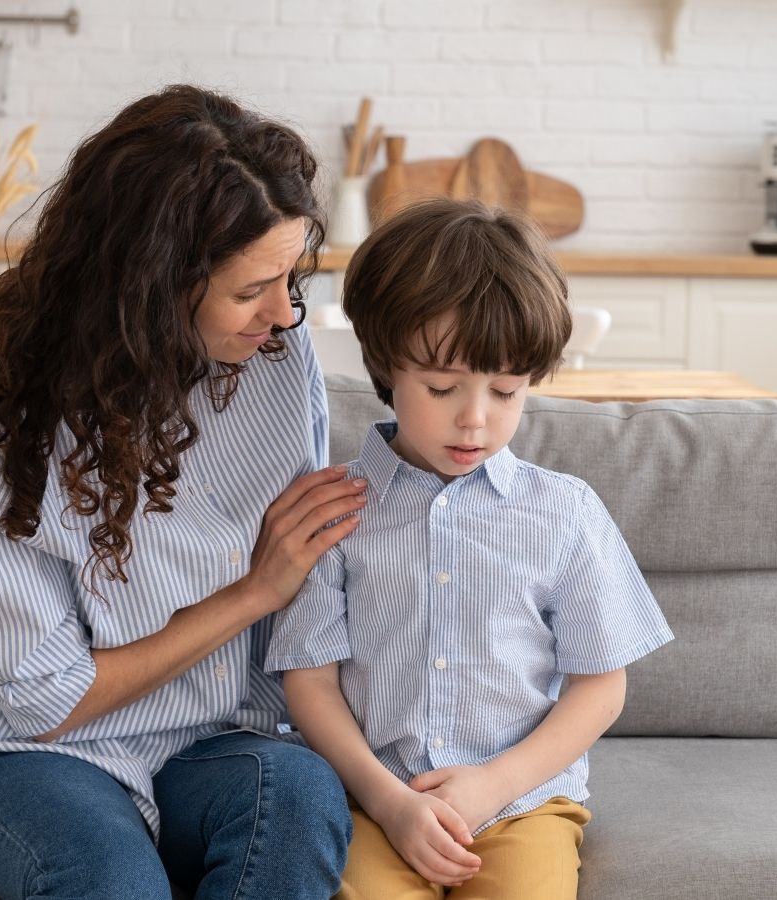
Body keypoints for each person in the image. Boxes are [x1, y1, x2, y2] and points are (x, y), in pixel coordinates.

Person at [0, 85, 363, 900]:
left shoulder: (275, 360)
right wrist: (254, 593)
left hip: (209, 741)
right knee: (111, 883)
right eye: (251, 290)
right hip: (23, 754)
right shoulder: (1, 433)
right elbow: (46, 702)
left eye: (290, 280)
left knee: (301, 799)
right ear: (150, 286)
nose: (283, 315)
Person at [265, 199, 675, 900]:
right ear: (386, 364)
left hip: (521, 806)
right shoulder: (336, 510)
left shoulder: (563, 511)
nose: (476, 419)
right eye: (443, 387)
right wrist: (389, 803)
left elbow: (602, 685)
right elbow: (310, 682)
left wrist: (494, 785)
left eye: (507, 391)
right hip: (375, 803)